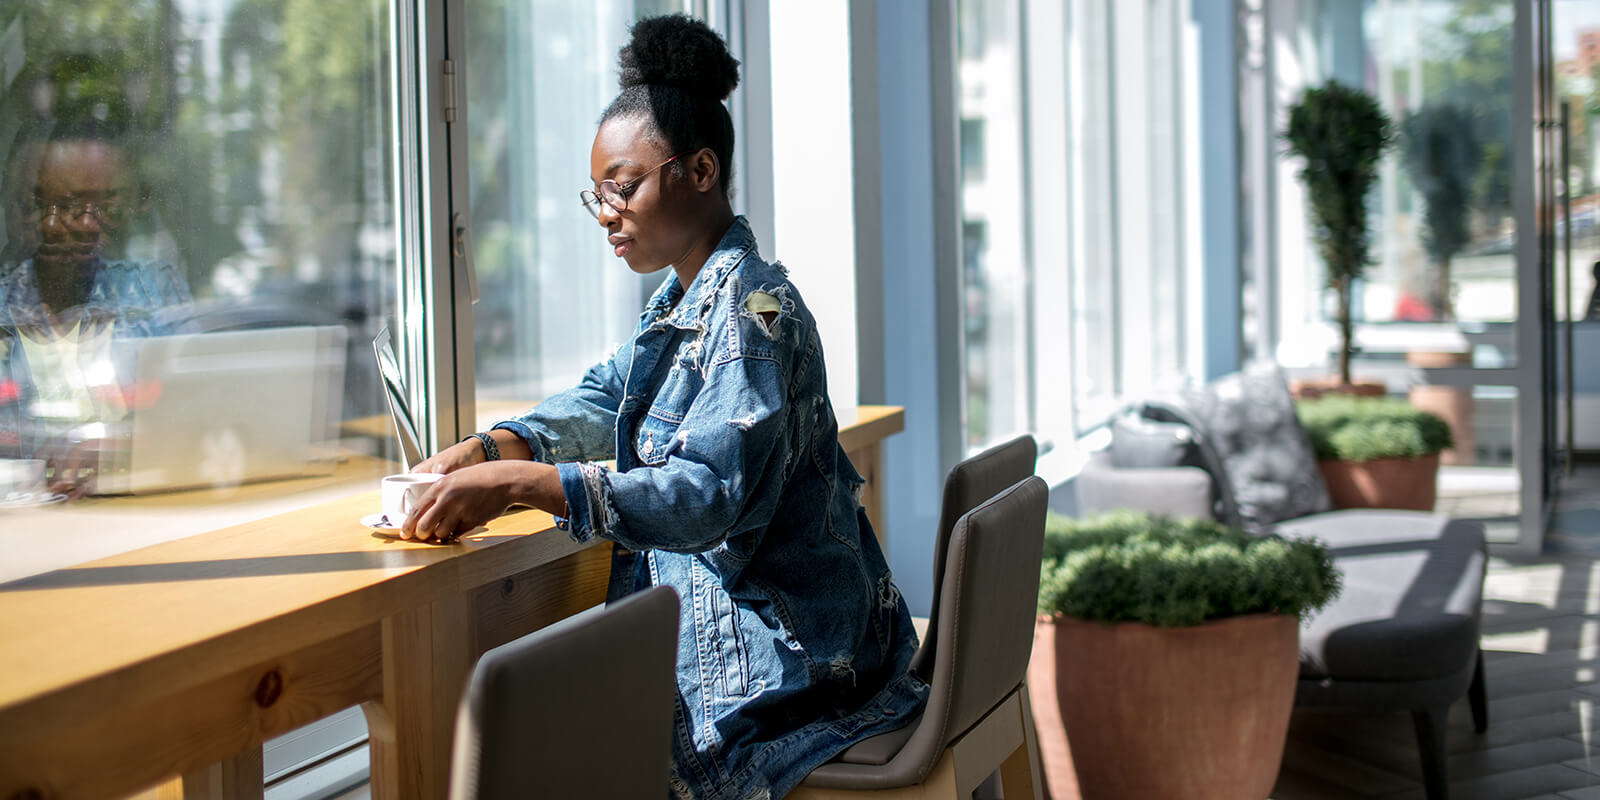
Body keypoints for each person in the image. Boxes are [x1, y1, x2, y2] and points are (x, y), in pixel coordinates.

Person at [401, 14, 927, 799]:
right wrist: (491, 449)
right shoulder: (685, 302)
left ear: (701, 170)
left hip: (798, 670)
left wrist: (522, 487)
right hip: (811, 642)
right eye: (598, 194)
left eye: (624, 186)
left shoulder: (754, 314)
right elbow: (605, 392)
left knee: (554, 746)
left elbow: (705, 494)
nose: (607, 212)